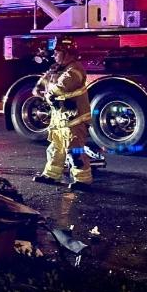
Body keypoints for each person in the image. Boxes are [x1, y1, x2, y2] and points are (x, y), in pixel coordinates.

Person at [31, 38, 93, 191]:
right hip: (60, 118)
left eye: (57, 52)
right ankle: (51, 175)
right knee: (55, 148)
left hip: (75, 119)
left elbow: (61, 87)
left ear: (67, 54)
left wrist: (47, 90)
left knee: (75, 150)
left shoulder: (75, 70)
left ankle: (83, 180)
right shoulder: (57, 69)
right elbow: (40, 86)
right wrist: (40, 88)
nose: (54, 55)